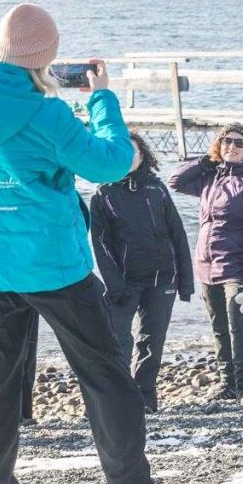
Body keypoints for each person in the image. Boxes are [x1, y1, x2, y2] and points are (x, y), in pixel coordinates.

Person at [0, 2, 183, 484]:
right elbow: (110, 162)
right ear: (46, 59)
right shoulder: (49, 114)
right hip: (52, 264)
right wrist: (103, 97)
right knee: (106, 375)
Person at [169, 124, 243, 406]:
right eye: (226, 141)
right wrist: (206, 161)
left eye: (239, 143)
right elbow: (176, 181)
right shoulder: (210, 178)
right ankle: (226, 384)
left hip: (237, 266)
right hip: (206, 264)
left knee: (237, 323)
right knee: (218, 326)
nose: (232, 147)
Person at [90, 131, 193, 413]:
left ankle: (146, 395)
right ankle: (119, 399)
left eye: (135, 152)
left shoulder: (157, 190)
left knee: (152, 341)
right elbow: (100, 245)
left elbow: (178, 235)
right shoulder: (103, 194)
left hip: (162, 280)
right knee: (118, 341)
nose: (131, 157)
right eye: (124, 152)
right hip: (124, 283)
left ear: (143, 155)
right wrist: (115, 284)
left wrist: (185, 282)